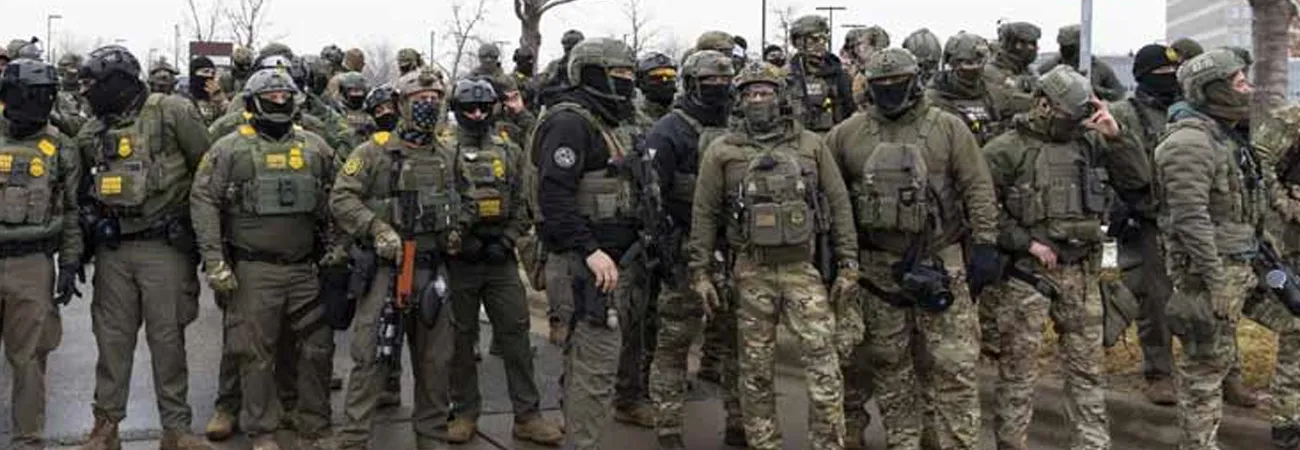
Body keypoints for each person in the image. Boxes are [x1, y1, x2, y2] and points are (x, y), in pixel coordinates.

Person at [825, 48, 999, 450]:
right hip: (877, 269)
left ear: (915, 80)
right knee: (890, 364)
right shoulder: (846, 134)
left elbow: (977, 187)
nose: (890, 89)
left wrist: (986, 243)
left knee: (954, 364)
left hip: (941, 259)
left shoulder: (948, 128)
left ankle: (958, 442)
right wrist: (838, 257)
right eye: (881, 83)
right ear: (869, 85)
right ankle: (903, 440)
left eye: (897, 81)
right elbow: (833, 199)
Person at [688, 60, 857, 450]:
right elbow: (705, 213)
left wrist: (848, 263)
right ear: (739, 101)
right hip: (751, 271)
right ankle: (764, 443)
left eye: (765, 92)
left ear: (781, 97)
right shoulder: (722, 150)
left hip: (803, 269)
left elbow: (838, 204)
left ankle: (828, 443)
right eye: (750, 94)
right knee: (755, 371)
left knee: (824, 364)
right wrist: (700, 271)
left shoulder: (811, 144)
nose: (757, 100)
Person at [984, 65, 1138, 450]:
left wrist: (1116, 136)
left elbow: (1138, 181)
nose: (1075, 123)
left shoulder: (1092, 143)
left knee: (1087, 372)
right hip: (1027, 276)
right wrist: (1025, 242)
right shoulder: (1005, 149)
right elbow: (982, 211)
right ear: (1043, 105)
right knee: (1018, 373)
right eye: (1070, 114)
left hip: (1081, 272)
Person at [74, 44, 213, 450]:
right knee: (112, 340)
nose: (87, 93)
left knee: (168, 340)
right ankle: (106, 427)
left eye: (93, 85)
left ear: (118, 83)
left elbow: (207, 172)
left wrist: (207, 241)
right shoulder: (92, 132)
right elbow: (79, 191)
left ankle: (176, 429)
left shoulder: (172, 112)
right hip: (114, 249)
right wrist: (87, 231)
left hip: (164, 246)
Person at [190, 68, 336, 450]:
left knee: (317, 347)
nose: (279, 102)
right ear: (253, 102)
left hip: (305, 268)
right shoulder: (229, 148)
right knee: (253, 353)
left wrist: (338, 253)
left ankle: (314, 425)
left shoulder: (316, 147)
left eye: (284, 96)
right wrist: (215, 261)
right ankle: (262, 431)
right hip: (254, 270)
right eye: (271, 97)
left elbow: (337, 200)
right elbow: (203, 200)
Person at [330, 66, 459, 450]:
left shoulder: (447, 155)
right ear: (401, 104)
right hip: (387, 270)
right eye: (420, 99)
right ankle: (353, 440)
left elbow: (465, 201)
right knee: (371, 356)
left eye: (434, 99)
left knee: (436, 362)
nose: (428, 105)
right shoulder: (373, 152)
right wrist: (377, 228)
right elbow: (342, 198)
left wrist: (457, 229)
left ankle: (432, 438)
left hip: (431, 270)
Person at [439, 77, 565, 446]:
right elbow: (436, 203)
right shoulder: (443, 151)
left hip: (500, 259)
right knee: (460, 340)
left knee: (516, 337)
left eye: (484, 107)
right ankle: (464, 412)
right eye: (470, 108)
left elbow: (525, 203)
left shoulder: (509, 150)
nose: (478, 114)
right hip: (459, 260)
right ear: (458, 110)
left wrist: (507, 238)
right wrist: (459, 239)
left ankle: (527, 415)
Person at [533, 37, 640, 450]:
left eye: (629, 73)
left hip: (609, 261)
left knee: (585, 359)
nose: (627, 81)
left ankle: (578, 433)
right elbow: (554, 196)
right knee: (597, 362)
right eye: (619, 74)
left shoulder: (607, 122)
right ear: (592, 73)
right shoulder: (570, 123)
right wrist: (590, 250)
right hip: (583, 264)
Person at [1156, 49, 1262, 450]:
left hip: (1238, 263)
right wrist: (1216, 281)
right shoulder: (1190, 142)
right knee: (1202, 370)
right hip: (1206, 274)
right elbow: (1190, 219)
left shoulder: (1225, 136)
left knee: (1221, 357)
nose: (1248, 90)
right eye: (1239, 83)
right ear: (1212, 89)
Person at [644, 49, 745, 449]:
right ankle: (668, 427)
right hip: (684, 250)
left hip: (736, 250)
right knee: (674, 343)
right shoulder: (668, 131)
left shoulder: (739, 125)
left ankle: (739, 422)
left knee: (740, 343)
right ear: (691, 84)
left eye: (724, 81)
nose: (718, 88)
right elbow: (651, 198)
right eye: (709, 82)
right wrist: (666, 251)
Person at [0, 55, 83, 450]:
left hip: (32, 263)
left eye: (45, 95)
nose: (38, 103)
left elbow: (72, 211)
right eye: (30, 94)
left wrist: (70, 261)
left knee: (30, 357)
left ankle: (27, 439)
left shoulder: (60, 146)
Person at [1107, 43, 1184, 406]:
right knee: (1154, 299)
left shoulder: (1186, 110)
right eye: (1161, 74)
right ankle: (1159, 371)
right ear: (1142, 77)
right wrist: (1121, 209)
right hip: (1146, 219)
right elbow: (1110, 166)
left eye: (1173, 73)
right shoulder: (1124, 113)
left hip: (1186, 215)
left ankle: (1220, 371)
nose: (1169, 80)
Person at [926, 32, 1003, 146]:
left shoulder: (987, 92)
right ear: (952, 64)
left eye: (979, 62)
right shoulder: (934, 98)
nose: (974, 68)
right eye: (968, 63)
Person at [786, 15, 855, 132]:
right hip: (798, 139)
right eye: (814, 39)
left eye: (824, 39)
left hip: (835, 138)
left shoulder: (840, 74)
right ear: (798, 42)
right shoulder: (787, 77)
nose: (821, 43)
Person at [1036, 24, 1126, 102]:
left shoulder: (1098, 67)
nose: (1065, 51)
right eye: (1063, 47)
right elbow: (1035, 87)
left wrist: (1094, 89)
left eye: (1070, 47)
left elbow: (1119, 94)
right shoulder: (1052, 66)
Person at [984, 21, 1042, 125]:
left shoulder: (1030, 71)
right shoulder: (990, 72)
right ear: (1014, 45)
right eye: (1029, 44)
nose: (1033, 49)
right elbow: (1006, 104)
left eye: (1034, 44)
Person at [537, 29, 585, 107]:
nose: (568, 51)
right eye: (566, 47)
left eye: (571, 47)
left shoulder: (584, 64)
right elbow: (541, 84)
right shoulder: (555, 65)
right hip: (556, 104)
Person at [335, 71, 375, 149]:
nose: (356, 95)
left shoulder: (370, 110)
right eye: (353, 91)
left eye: (359, 91)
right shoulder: (336, 110)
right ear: (344, 92)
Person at [183, 56, 228, 125]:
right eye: (206, 71)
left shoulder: (215, 98)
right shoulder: (184, 98)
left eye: (212, 73)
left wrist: (221, 101)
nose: (210, 75)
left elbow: (229, 118)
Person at [53, 53, 89, 135]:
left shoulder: (85, 90)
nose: (64, 68)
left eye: (66, 65)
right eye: (61, 65)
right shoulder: (56, 88)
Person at [635, 52, 677, 121]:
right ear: (641, 81)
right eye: (657, 77)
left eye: (669, 76)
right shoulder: (633, 117)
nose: (664, 80)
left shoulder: (684, 116)